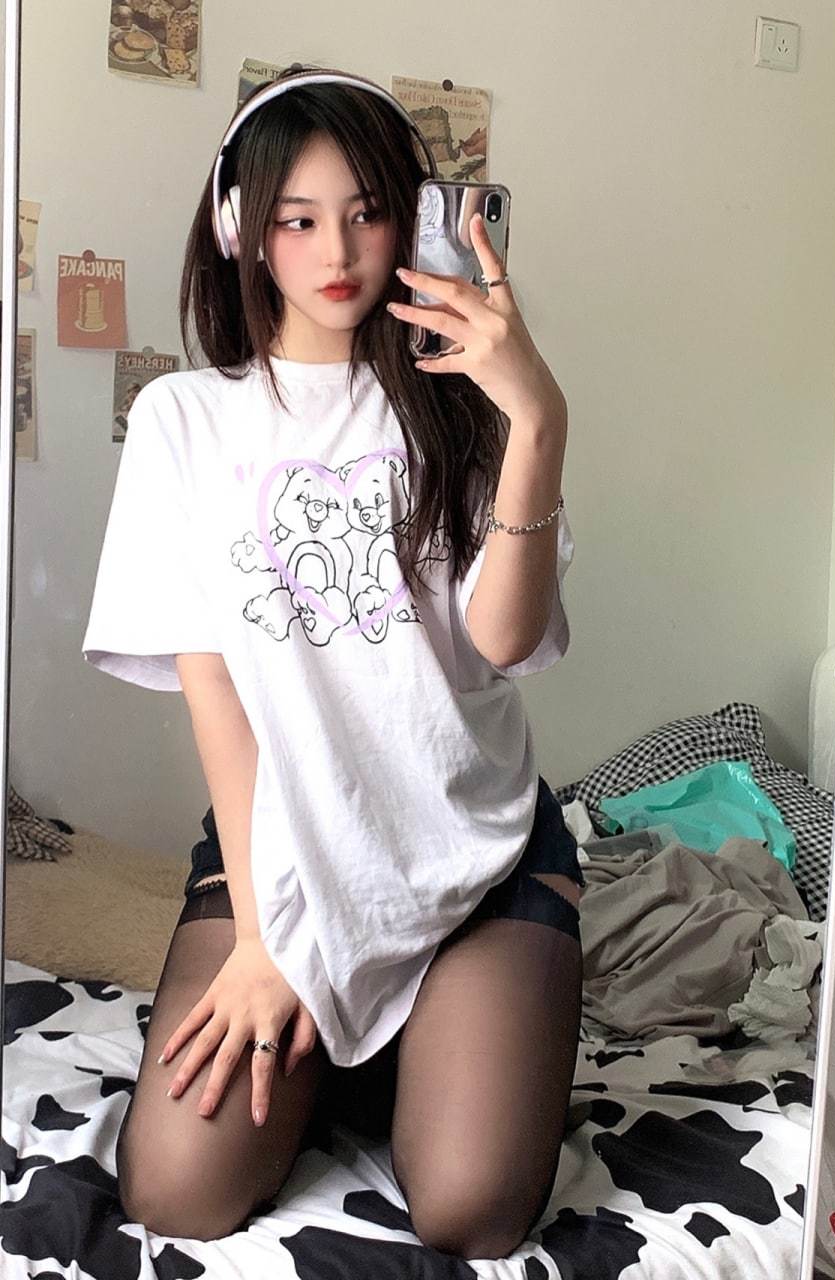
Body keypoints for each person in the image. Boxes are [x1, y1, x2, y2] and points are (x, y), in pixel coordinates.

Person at [81, 67, 582, 1258]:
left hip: (473, 851)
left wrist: (538, 420)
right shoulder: (184, 420)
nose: (338, 251)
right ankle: (372, 1044)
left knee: (469, 1205)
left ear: (411, 217)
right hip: (288, 848)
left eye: (366, 212)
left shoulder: (463, 405)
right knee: (176, 1189)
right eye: (297, 219)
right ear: (239, 229)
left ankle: (422, 1034)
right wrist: (267, 939)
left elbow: (506, 642)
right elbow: (216, 690)